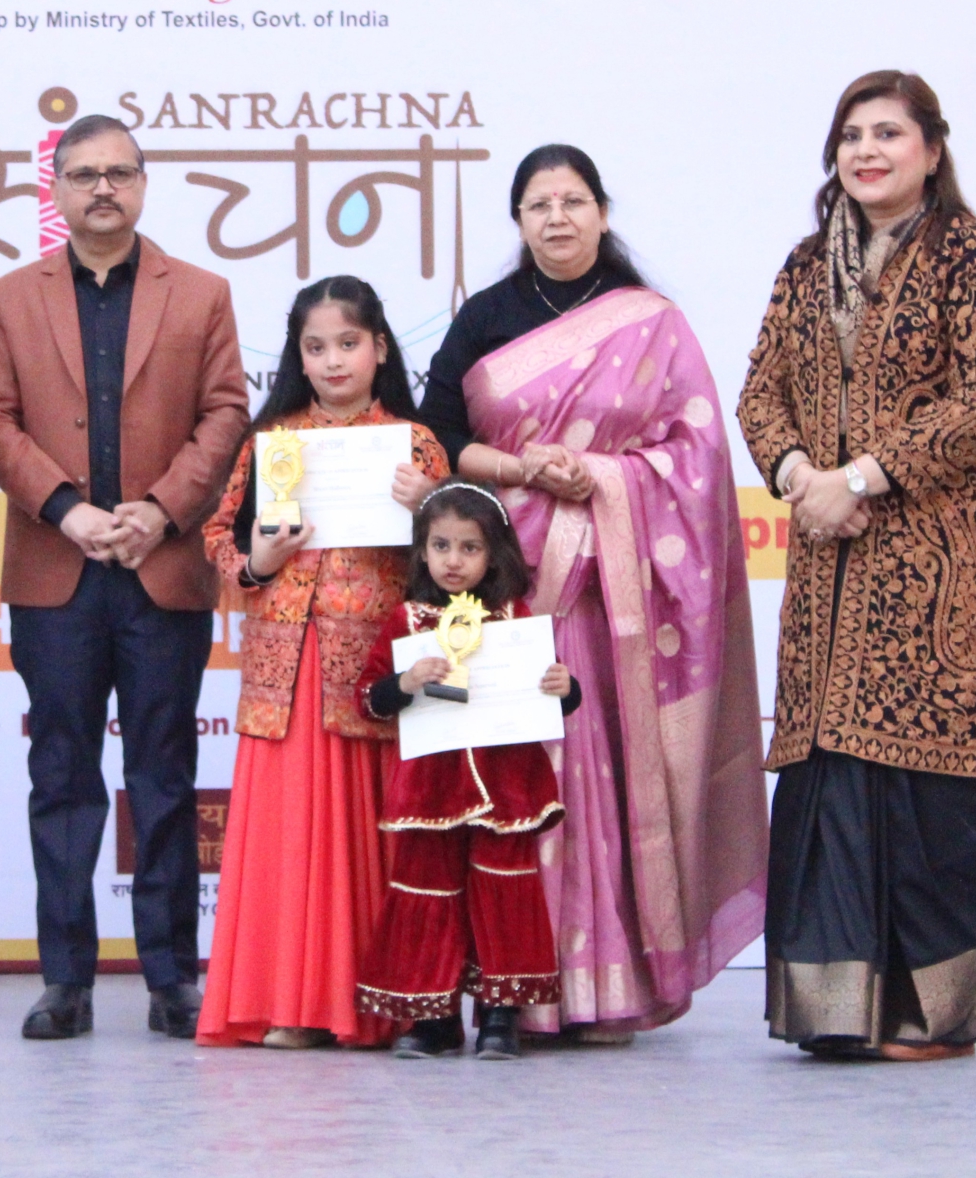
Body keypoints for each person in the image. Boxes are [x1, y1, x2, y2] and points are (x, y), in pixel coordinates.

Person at [413, 143, 766, 1044]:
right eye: (538, 204)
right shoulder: (487, 316)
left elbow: (694, 454)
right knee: (513, 782)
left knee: (601, 777)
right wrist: (525, 467)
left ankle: (608, 989)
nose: (557, 217)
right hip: (509, 587)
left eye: (572, 200)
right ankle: (514, 988)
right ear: (518, 221)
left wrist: (603, 477)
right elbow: (438, 436)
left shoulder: (651, 322)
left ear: (602, 213)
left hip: (612, 600)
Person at [736, 70, 976, 1062]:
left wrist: (861, 477)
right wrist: (796, 475)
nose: (867, 150)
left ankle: (932, 1017)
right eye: (851, 135)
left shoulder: (975, 258)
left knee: (932, 793)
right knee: (831, 779)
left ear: (932, 151)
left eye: (889, 133)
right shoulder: (805, 265)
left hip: (943, 565)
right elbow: (760, 391)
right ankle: (835, 1013)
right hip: (828, 572)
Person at [0, 114, 253, 1041]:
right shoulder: (12, 297)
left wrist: (160, 511)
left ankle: (173, 978)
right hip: (57, 569)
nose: (102, 188)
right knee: (61, 775)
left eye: (119, 173)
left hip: (161, 566)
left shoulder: (201, 292)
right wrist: (67, 510)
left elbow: (225, 414)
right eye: (84, 173)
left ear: (143, 184)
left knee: (163, 774)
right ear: (54, 189)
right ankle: (65, 981)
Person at [196, 276, 451, 1049]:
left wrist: (429, 505)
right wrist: (257, 562)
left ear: (380, 349)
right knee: (288, 841)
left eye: (348, 343)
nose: (333, 360)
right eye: (315, 347)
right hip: (284, 667)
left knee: (367, 838)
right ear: (297, 357)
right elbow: (218, 536)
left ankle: (372, 1005)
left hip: (376, 670)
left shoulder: (414, 444)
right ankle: (293, 1005)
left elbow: (459, 558)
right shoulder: (272, 441)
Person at [354, 484, 579, 1060]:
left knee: (505, 893)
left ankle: (502, 1016)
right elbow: (369, 699)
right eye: (441, 546)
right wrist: (405, 682)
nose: (453, 560)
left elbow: (552, 698)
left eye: (470, 548)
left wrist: (565, 687)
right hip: (431, 793)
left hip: (507, 791)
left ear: (494, 555)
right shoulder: (407, 620)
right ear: (422, 551)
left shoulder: (514, 618)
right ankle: (432, 1018)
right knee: (427, 893)